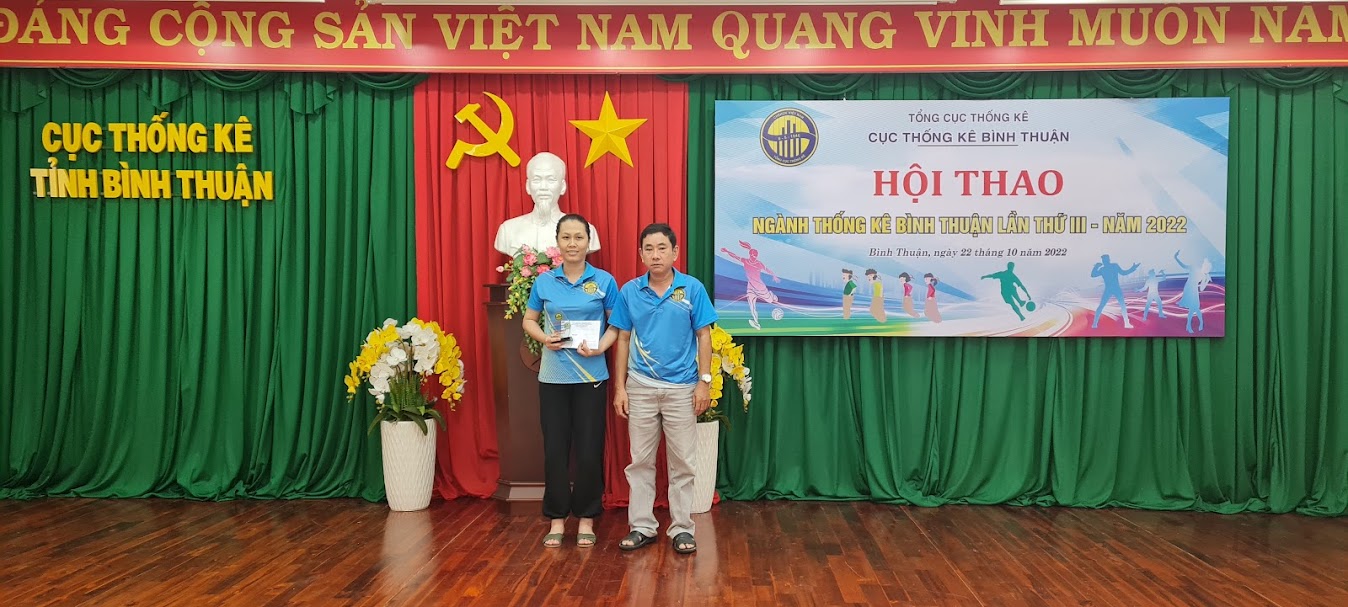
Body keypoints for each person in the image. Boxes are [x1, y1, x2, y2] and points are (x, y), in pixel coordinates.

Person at [610, 223, 717, 555]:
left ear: (675, 253)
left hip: (683, 388)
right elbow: (623, 339)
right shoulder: (630, 291)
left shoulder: (692, 289)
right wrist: (620, 388)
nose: (655, 255)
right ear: (641, 254)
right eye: (648, 249)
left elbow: (704, 336)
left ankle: (682, 528)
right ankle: (642, 526)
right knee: (640, 461)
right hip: (640, 386)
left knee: (682, 462)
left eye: (661, 248)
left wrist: (704, 382)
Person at [521, 214, 618, 549]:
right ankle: (557, 518)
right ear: (558, 242)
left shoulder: (604, 281)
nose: (573, 244)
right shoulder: (545, 281)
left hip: (592, 376)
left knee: (589, 450)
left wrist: (600, 347)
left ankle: (587, 517)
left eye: (579, 237)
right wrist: (544, 338)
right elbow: (529, 320)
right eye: (566, 237)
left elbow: (617, 324)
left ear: (588, 242)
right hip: (553, 377)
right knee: (555, 450)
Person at [494, 152, 601, 256]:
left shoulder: (585, 230)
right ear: (528, 186)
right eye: (537, 180)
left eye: (551, 180)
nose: (543, 187)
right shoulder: (508, 229)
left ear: (563, 187)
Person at [721, 241, 780, 330]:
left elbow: (767, 269)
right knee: (752, 306)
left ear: (757, 256)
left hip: (760, 287)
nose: (753, 257)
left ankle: (772, 295)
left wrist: (774, 276)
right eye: (752, 255)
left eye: (755, 255)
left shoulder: (759, 264)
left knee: (771, 300)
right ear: (750, 255)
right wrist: (727, 251)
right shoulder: (745, 261)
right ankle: (756, 323)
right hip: (750, 287)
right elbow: (735, 256)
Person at [1090, 254, 1140, 329]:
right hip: (1112, 289)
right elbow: (1093, 275)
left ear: (1108, 260)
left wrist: (1133, 268)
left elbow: (1123, 273)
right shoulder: (1105, 268)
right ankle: (1095, 324)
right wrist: (1096, 266)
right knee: (1105, 306)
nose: (1105, 261)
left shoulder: (1110, 267)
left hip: (1114, 288)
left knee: (1121, 306)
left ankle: (1126, 323)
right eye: (1104, 260)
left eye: (1105, 260)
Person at [1174, 250, 1211, 333]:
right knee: (1194, 307)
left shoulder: (1203, 274)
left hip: (1194, 290)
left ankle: (1194, 325)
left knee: (1195, 308)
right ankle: (1193, 325)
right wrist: (1176, 257)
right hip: (1189, 289)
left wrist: (1206, 281)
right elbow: (1183, 266)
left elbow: (1201, 289)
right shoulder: (1193, 267)